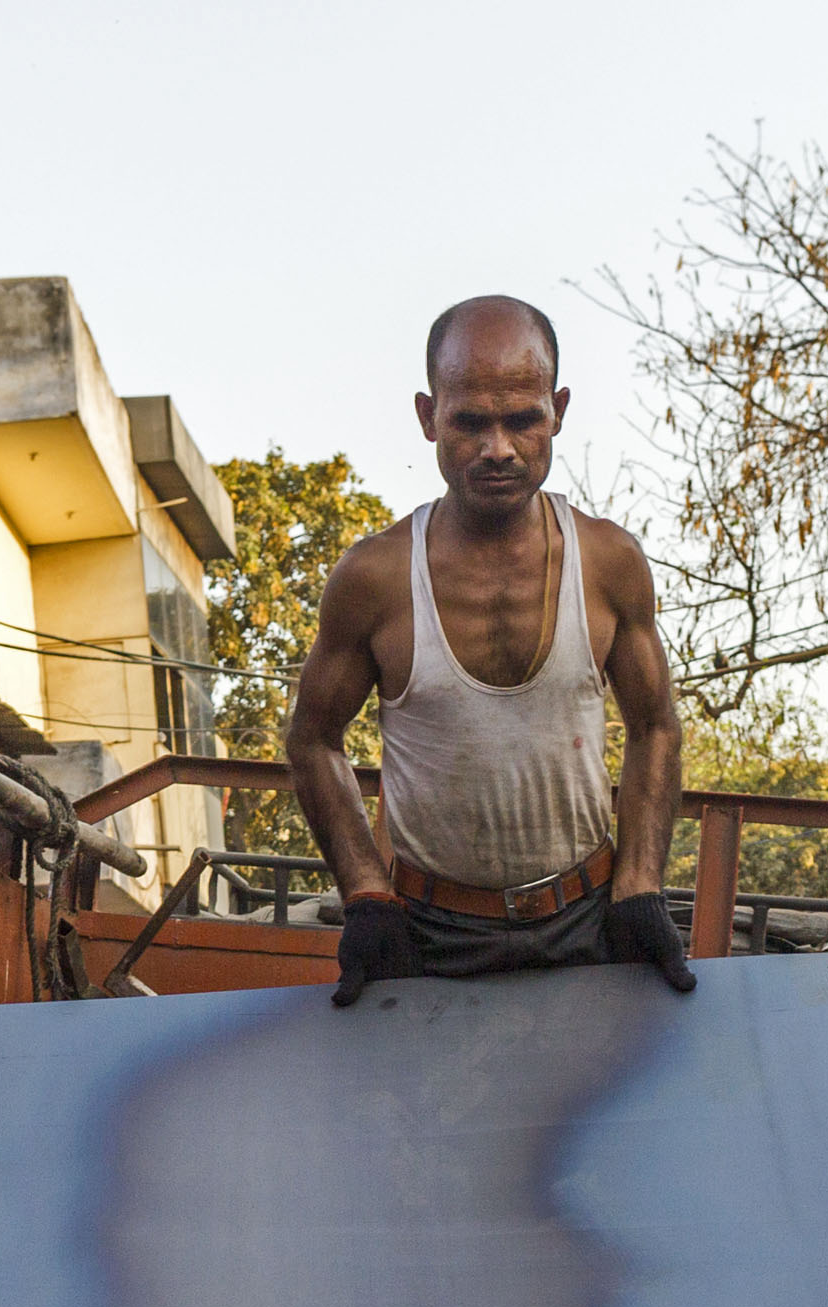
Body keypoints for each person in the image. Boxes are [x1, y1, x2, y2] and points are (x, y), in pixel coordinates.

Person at [286, 295, 693, 1008]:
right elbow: (313, 738)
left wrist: (639, 885)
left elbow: (655, 725)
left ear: (557, 412)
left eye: (523, 420)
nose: (498, 447)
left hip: (588, 917)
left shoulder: (609, 562)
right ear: (428, 417)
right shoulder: (376, 577)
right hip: (429, 934)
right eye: (470, 422)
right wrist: (366, 894)